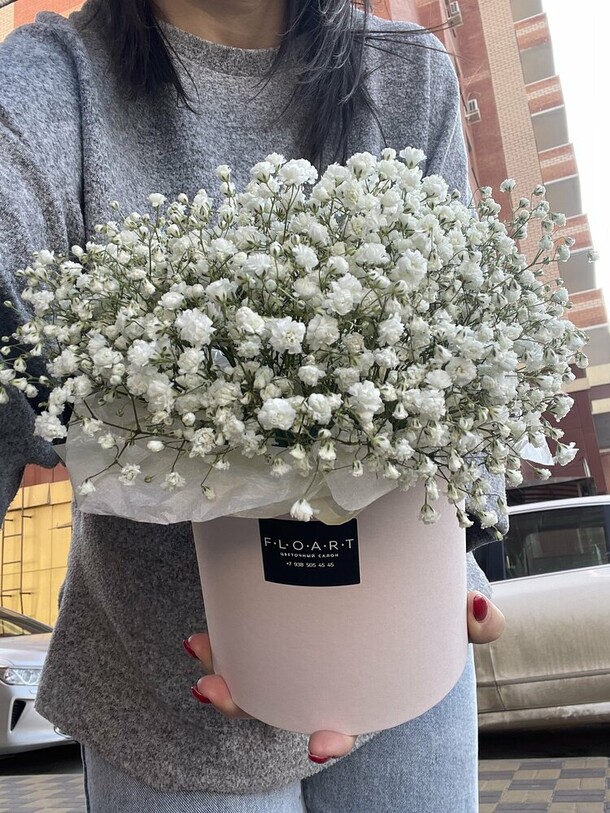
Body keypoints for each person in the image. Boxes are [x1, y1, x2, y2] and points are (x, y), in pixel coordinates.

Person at [0, 0, 507, 810]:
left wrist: (466, 532)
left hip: (402, 650)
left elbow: (469, 360)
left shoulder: (406, 75)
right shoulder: (53, 85)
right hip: (167, 694)